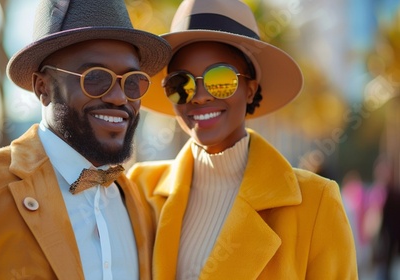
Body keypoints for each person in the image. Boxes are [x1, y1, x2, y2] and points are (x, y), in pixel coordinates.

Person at [0, 0, 170, 279]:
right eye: (96, 78)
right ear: (43, 87)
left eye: (133, 81)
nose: (118, 97)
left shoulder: (139, 202)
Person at [128, 0, 358, 279]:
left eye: (220, 79)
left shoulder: (315, 203)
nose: (200, 96)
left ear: (250, 90)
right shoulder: (139, 190)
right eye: (181, 83)